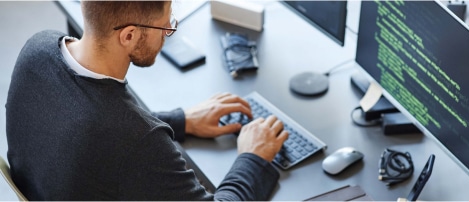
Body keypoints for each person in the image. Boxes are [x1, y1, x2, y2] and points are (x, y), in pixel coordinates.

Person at [5, 1, 288, 200]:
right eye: (164, 27)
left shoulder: (38, 48)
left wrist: (182, 120)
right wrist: (253, 157)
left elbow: (87, 119)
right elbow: (121, 136)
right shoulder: (139, 142)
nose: (168, 32)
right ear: (128, 35)